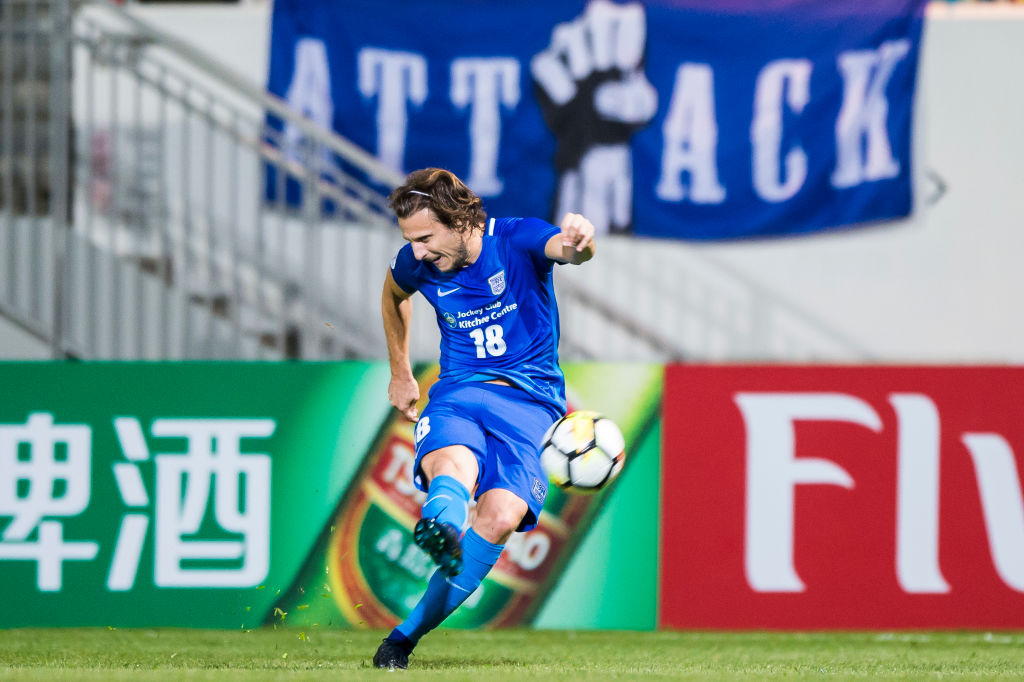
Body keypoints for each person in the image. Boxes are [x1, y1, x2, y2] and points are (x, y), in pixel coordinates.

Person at [374, 167, 595, 669]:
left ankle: (403, 637)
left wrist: (583, 241)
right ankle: (441, 527)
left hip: (531, 406)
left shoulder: (516, 239)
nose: (420, 252)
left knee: (498, 521)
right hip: (459, 391)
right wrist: (401, 373)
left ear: (458, 219)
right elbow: (392, 295)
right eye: (411, 241)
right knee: (455, 468)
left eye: (427, 238)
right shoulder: (417, 262)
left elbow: (568, 249)